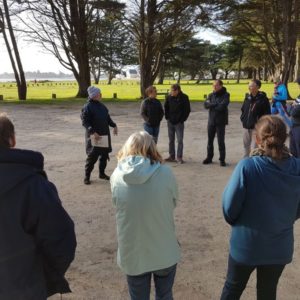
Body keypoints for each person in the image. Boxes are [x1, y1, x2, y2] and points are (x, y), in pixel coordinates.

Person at [221, 115, 300, 300]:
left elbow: (229, 209)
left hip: (247, 244)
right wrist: (283, 218)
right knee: (267, 293)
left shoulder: (247, 166)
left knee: (232, 289)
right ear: (285, 138)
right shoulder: (297, 167)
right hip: (279, 246)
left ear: (258, 139)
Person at [0, 113, 76, 299]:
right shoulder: (33, 184)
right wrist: (43, 277)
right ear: (12, 140)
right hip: (23, 287)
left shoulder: (32, 183)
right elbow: (61, 238)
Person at [110, 131, 181, 300]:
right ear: (152, 148)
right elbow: (173, 202)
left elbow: (117, 204)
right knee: (164, 295)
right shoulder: (166, 173)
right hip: (164, 249)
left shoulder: (116, 176)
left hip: (133, 251)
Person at [81, 86, 118, 184]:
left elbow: (108, 119)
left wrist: (114, 126)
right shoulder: (87, 107)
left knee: (104, 156)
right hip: (94, 136)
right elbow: (85, 122)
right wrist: (92, 132)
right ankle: (87, 176)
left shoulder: (102, 106)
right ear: (93, 95)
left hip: (104, 135)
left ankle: (102, 173)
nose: (101, 95)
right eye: (99, 93)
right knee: (92, 157)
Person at [203, 79, 230, 166]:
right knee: (210, 141)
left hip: (221, 122)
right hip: (211, 121)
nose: (214, 86)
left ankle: (222, 159)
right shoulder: (211, 95)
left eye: (216, 85)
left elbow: (222, 107)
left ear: (221, 86)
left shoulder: (226, 95)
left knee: (220, 141)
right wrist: (215, 104)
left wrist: (212, 104)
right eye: (213, 85)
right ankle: (209, 157)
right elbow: (205, 105)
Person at [240, 79, 270, 157]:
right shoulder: (247, 98)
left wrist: (260, 125)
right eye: (249, 85)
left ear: (258, 87)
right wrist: (243, 119)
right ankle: (246, 161)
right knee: (246, 146)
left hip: (257, 128)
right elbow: (243, 109)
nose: (249, 87)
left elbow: (267, 114)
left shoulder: (263, 99)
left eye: (251, 85)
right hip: (246, 126)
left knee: (256, 147)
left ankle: (255, 162)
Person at [164, 84, 191, 164]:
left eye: (172, 91)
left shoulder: (184, 97)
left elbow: (187, 110)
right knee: (171, 140)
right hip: (170, 122)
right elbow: (166, 107)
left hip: (179, 123)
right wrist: (167, 117)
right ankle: (171, 156)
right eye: (171, 90)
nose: (171, 92)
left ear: (177, 91)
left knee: (180, 140)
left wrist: (182, 119)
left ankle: (179, 157)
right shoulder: (169, 97)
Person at [289, 78, 300, 157]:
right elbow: (290, 111)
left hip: (298, 126)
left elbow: (294, 112)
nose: (299, 87)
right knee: (293, 150)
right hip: (293, 126)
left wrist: (294, 107)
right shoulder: (299, 96)